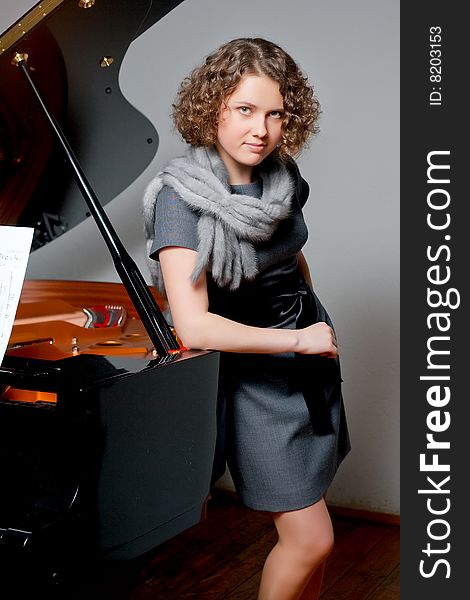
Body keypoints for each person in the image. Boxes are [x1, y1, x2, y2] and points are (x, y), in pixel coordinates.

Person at [143, 37, 350, 600]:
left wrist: (308, 317)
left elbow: (290, 251)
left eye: (275, 113)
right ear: (213, 107)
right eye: (245, 109)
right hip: (257, 378)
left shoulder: (283, 178)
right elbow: (194, 327)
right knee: (311, 539)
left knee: (316, 521)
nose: (260, 128)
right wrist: (298, 341)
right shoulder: (180, 201)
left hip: (310, 357)